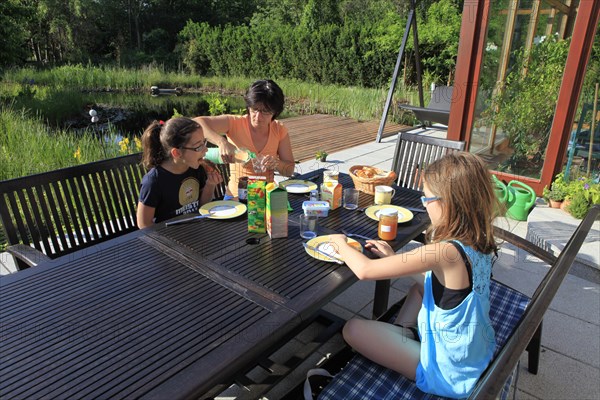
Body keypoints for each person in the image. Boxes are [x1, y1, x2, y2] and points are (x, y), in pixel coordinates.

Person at [329, 152, 500, 399]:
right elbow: (447, 290)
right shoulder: (477, 241)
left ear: (447, 203)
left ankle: (405, 337)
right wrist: (391, 259)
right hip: (473, 351)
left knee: (352, 329)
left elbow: (366, 271)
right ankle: (405, 333)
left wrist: (340, 244)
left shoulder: (444, 252)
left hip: (446, 370)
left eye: (427, 199)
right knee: (419, 288)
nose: (425, 204)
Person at [194, 79, 295, 197]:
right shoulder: (234, 123)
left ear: (275, 112)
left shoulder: (279, 129)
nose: (258, 117)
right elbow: (197, 123)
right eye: (255, 109)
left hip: (266, 197)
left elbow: (289, 171)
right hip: (236, 197)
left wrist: (275, 163)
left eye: (265, 111)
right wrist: (221, 142)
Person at [137, 117, 223, 228]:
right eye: (198, 146)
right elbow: (144, 224)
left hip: (196, 229)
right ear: (177, 153)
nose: (205, 150)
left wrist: (210, 185)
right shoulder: (153, 181)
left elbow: (203, 206)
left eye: (204, 142)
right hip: (168, 236)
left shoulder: (197, 168)